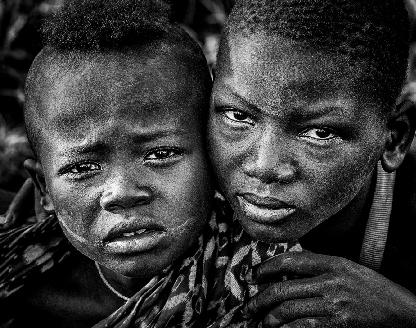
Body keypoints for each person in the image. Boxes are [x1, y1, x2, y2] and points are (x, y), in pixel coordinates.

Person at [0, 1, 304, 327]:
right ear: (44, 187)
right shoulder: (16, 277)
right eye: (82, 168)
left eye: (160, 155)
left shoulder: (275, 288)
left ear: (212, 156)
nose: (121, 194)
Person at [207, 0, 416, 327]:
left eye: (319, 133)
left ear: (393, 138)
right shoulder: (181, 177)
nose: (264, 166)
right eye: (238, 116)